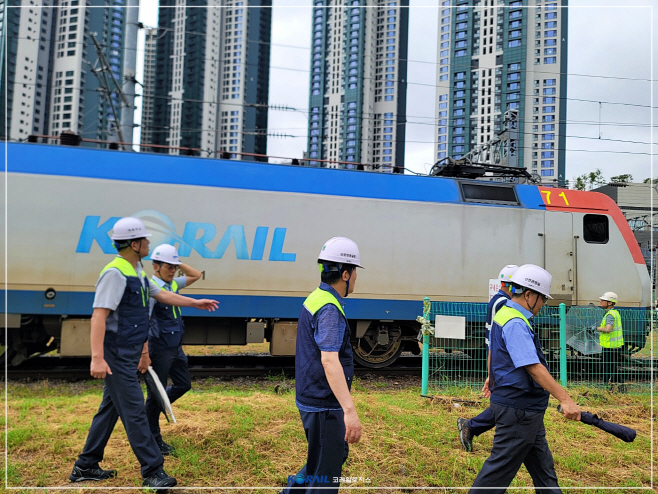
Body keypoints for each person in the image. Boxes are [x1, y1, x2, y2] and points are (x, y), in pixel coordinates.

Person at [70, 217, 218, 488]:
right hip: (116, 354)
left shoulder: (135, 270)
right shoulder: (115, 273)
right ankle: (153, 472)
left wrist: (195, 302)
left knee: (110, 409)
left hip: (126, 352)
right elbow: (98, 317)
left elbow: (162, 295)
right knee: (136, 411)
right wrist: (97, 357)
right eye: (146, 240)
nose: (149, 243)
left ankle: (85, 465)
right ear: (135, 243)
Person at [470, 264, 581, 494]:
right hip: (518, 410)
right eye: (542, 299)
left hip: (525, 409)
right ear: (529, 294)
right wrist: (565, 398)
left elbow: (493, 351)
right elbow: (533, 367)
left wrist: (491, 377)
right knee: (495, 477)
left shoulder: (504, 313)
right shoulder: (516, 322)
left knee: (544, 473)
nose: (543, 305)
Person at [283, 237, 363, 494]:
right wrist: (349, 411)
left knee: (323, 459)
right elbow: (329, 360)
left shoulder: (317, 297)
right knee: (325, 478)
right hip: (323, 404)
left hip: (313, 398)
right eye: (355, 273)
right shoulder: (329, 307)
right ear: (346, 274)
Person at [145, 244, 202, 455]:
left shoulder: (173, 284)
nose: (173, 270)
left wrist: (177, 261)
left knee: (183, 384)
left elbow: (196, 275)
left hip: (175, 347)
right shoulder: (151, 287)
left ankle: (149, 412)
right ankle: (153, 438)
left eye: (174, 267)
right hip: (158, 348)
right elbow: (145, 320)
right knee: (155, 394)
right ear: (155, 266)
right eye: (168, 266)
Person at [458, 264, 518, 452]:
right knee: (507, 399)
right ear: (511, 285)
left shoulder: (499, 299)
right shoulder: (502, 302)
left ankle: (473, 426)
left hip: (499, 355)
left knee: (509, 399)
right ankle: (472, 426)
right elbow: (498, 333)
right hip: (501, 356)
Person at [597, 291, 625, 390]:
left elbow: (608, 329)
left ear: (610, 303)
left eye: (603, 300)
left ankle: (609, 386)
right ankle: (619, 386)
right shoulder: (614, 313)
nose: (600, 301)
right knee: (612, 367)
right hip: (614, 345)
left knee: (607, 367)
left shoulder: (610, 315)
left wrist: (597, 328)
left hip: (610, 346)